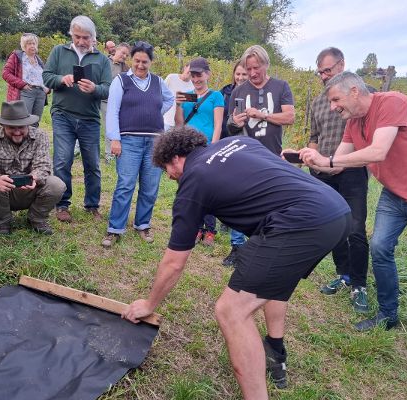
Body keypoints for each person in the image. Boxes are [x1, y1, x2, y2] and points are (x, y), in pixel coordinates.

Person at [122, 127, 351, 398]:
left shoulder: (193, 182)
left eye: (166, 170)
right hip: (335, 210)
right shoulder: (238, 141)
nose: (171, 177)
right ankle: (275, 353)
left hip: (300, 223)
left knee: (231, 311)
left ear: (175, 159)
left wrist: (149, 305)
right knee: (271, 279)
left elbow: (174, 262)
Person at [298, 71, 407, 367]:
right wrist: (311, 160)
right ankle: (387, 315)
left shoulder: (393, 101)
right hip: (394, 195)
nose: (332, 107)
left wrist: (330, 160)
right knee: (380, 248)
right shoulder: (352, 123)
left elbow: (378, 152)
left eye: (336, 100)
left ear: (354, 91)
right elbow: (337, 164)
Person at [307, 47, 370, 313]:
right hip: (323, 172)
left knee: (355, 227)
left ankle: (359, 284)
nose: (323, 76)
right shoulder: (319, 101)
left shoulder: (362, 97)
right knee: (334, 227)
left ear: (342, 65)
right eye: (320, 71)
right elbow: (314, 135)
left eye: (328, 70)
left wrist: (343, 161)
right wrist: (312, 155)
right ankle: (343, 275)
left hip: (352, 171)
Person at [224, 45, 295, 265]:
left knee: (268, 202)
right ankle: (237, 247)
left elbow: (289, 117)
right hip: (243, 156)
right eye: (248, 68)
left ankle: (261, 247)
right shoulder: (239, 90)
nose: (253, 73)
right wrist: (234, 123)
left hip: (271, 155)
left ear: (266, 64)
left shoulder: (281, 86)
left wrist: (262, 116)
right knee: (239, 200)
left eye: (257, 68)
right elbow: (229, 123)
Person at [101, 41, 174, 248]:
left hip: (154, 141)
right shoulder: (121, 81)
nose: (141, 65)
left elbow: (170, 100)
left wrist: (154, 112)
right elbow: (113, 110)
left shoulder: (159, 82)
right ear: (132, 59)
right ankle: (115, 228)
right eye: (137, 60)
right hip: (129, 140)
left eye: (145, 61)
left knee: (150, 187)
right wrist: (115, 138)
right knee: (125, 185)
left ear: (151, 62)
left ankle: (143, 224)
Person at [42, 15, 111, 223]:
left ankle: (92, 205)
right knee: (63, 160)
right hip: (63, 114)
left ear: (93, 38)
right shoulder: (58, 51)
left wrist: (94, 88)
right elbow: (46, 76)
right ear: (71, 35)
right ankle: (62, 205)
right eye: (77, 36)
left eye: (86, 37)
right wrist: (61, 79)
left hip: (90, 119)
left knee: (92, 164)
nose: (81, 41)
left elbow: (108, 89)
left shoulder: (102, 60)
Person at [0, 101, 65, 235]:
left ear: (28, 124)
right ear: (2, 125)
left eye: (21, 127)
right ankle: (2, 223)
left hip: (30, 188)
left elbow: (43, 165)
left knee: (57, 185)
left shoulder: (40, 136)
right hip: (2, 192)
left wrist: (34, 177)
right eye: (12, 127)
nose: (17, 132)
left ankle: (36, 219)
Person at [175, 57, 224, 246]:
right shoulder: (187, 96)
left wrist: (214, 147)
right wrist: (178, 105)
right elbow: (179, 124)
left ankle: (210, 230)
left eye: (199, 75)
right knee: (191, 188)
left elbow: (218, 124)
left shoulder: (215, 96)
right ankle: (195, 227)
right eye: (193, 75)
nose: (196, 79)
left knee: (208, 188)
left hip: (207, 147)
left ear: (207, 74)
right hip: (189, 147)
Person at [219, 61, 248, 265]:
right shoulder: (226, 93)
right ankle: (235, 241)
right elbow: (226, 123)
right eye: (238, 74)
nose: (240, 77)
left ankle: (242, 244)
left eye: (244, 74)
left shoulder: (257, 95)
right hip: (229, 144)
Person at [1, 33, 50, 127]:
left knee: (35, 122)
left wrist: (47, 88)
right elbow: (5, 73)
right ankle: (19, 141)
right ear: (24, 46)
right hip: (26, 92)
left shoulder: (39, 60)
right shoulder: (17, 56)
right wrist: (22, 85)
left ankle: (32, 141)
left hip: (40, 94)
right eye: (29, 43)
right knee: (23, 121)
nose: (32, 46)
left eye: (34, 43)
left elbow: (44, 76)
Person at [101, 42, 131, 163]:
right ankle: (78, 148)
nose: (124, 56)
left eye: (126, 55)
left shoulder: (126, 70)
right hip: (96, 96)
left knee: (109, 127)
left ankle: (109, 154)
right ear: (116, 50)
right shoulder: (104, 61)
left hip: (109, 102)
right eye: (123, 53)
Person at [163, 63, 194, 130]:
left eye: (193, 71)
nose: (190, 72)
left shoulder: (193, 86)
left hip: (181, 125)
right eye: (190, 69)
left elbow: (190, 107)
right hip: (167, 121)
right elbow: (161, 94)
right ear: (185, 67)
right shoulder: (171, 77)